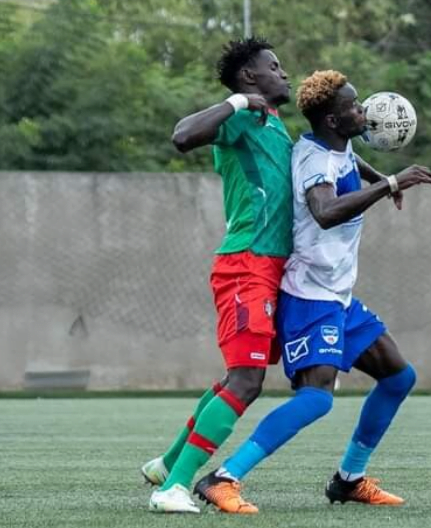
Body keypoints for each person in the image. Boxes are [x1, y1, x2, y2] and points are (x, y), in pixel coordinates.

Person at [193, 70, 431, 514]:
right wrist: (389, 185)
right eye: (352, 106)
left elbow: (350, 162)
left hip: (338, 297)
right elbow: (325, 211)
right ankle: (223, 477)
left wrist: (380, 178)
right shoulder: (313, 162)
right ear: (331, 119)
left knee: (398, 376)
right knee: (315, 399)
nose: (361, 111)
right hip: (310, 298)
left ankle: (348, 480)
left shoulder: (338, 146)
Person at [142, 37, 294, 514]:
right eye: (274, 66)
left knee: (238, 375)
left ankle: (168, 464)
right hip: (246, 262)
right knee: (247, 382)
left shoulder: (275, 124)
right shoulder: (242, 117)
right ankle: (174, 489)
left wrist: (385, 181)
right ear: (250, 77)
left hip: (269, 267)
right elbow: (182, 136)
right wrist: (233, 102)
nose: (284, 73)